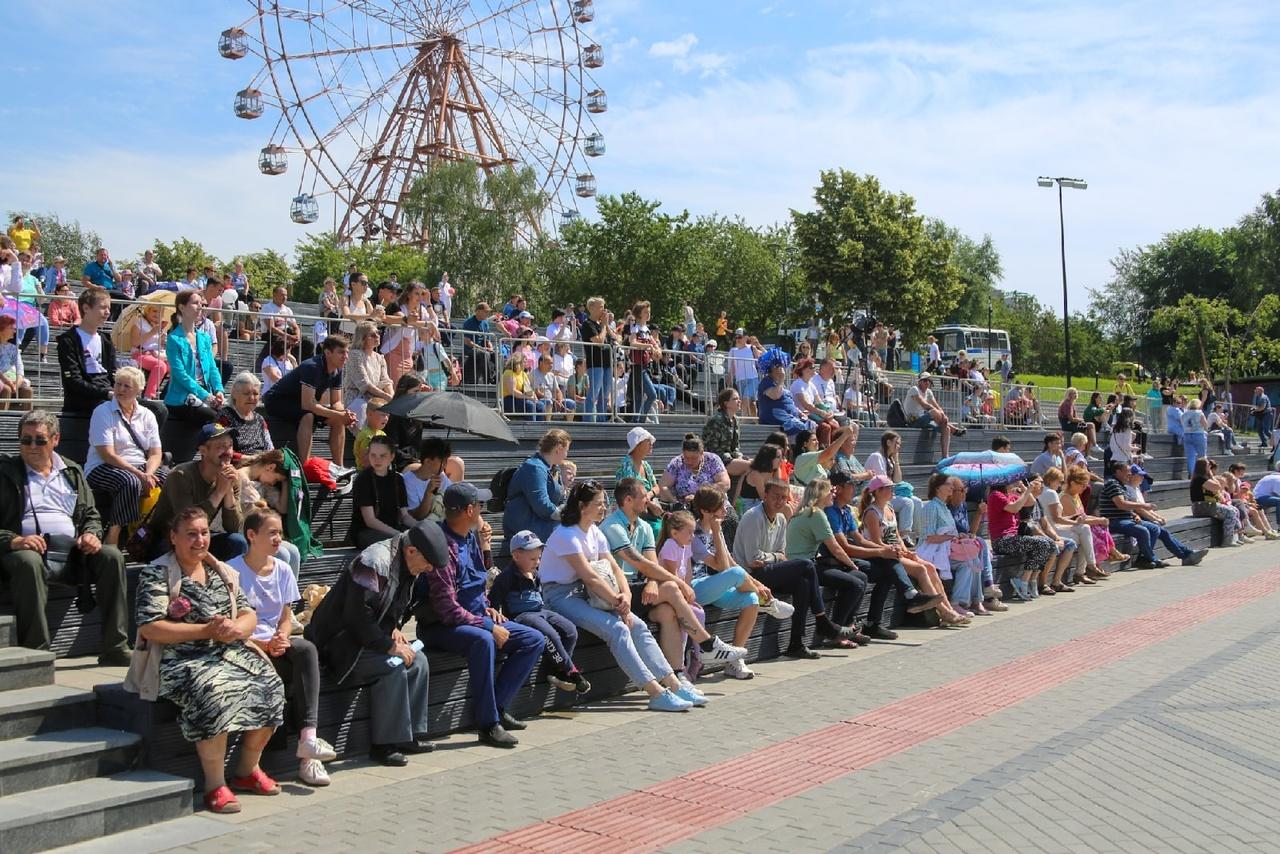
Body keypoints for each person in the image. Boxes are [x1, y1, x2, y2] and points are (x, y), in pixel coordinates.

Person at [132, 506, 284, 814]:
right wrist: (205, 630)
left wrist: (235, 629)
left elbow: (247, 614)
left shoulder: (222, 571)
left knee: (270, 683)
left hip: (227, 652)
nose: (200, 540)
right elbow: (150, 627)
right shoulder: (158, 573)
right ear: (173, 538)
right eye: (191, 534)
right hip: (179, 660)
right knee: (215, 691)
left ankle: (246, 770)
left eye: (204, 533)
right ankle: (215, 785)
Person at [540, 481, 699, 712]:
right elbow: (590, 577)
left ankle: (674, 684)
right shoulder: (566, 535)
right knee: (618, 629)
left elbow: (614, 568)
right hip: (560, 596)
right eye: (599, 504)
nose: (604, 508)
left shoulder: (594, 531)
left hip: (589, 592)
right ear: (583, 506)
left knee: (639, 625)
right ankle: (656, 693)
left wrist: (624, 595)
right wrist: (619, 603)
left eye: (604, 503)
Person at [414, 484, 545, 748]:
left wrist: (487, 607)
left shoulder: (470, 536)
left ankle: (496, 708)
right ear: (469, 510)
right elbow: (446, 609)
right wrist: (487, 624)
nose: (483, 511)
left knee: (533, 639)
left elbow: (476, 580)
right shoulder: (442, 547)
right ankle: (487, 725)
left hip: (473, 616)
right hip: (441, 626)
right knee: (483, 640)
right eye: (480, 506)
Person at [306, 520, 445, 766]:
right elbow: (356, 616)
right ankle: (383, 745)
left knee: (418, 660)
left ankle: (407, 735)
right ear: (411, 551)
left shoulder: (406, 561)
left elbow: (388, 607)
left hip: (368, 638)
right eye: (427, 563)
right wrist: (389, 646)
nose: (429, 570)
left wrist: (393, 629)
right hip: (339, 644)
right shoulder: (374, 562)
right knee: (393, 665)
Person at [0, 411, 130, 662]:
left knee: (112, 555)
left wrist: (91, 534)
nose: (32, 447)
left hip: (69, 551)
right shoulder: (5, 473)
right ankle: (37, 651)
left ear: (56, 439)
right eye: (25, 440)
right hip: (21, 552)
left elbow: (91, 514)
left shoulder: (71, 471)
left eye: (39, 440)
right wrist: (15, 540)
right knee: (28, 560)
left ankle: (116, 647)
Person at [228, 509, 335, 787]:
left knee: (306, 650)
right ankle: (307, 759)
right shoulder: (232, 571)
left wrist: (282, 637)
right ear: (251, 536)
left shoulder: (283, 569)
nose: (279, 539)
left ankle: (308, 741)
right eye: (272, 533)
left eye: (280, 533)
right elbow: (231, 628)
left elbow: (286, 617)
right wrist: (264, 643)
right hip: (246, 647)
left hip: (275, 643)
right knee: (296, 676)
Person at [605, 480, 747, 682]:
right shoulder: (613, 526)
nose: (649, 498)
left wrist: (653, 581)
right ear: (628, 500)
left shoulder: (644, 526)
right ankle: (707, 644)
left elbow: (651, 564)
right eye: (644, 495)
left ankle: (678, 675)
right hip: (619, 593)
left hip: (643, 591)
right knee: (672, 587)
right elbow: (639, 563)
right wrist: (679, 584)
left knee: (668, 613)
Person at [731, 479, 860, 658]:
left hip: (767, 571)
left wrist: (772, 557)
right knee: (806, 564)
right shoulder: (754, 517)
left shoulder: (782, 519)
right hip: (750, 576)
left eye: (784, 498)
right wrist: (774, 557)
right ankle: (822, 621)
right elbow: (753, 560)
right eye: (776, 496)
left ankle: (796, 643)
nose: (780, 501)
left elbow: (782, 554)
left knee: (803, 582)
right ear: (765, 495)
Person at [490, 529, 591, 694]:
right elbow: (493, 603)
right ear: (516, 556)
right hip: (521, 617)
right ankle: (571, 671)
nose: (537, 562)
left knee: (570, 630)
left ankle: (557, 670)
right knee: (551, 634)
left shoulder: (535, 573)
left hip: (540, 611)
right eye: (532, 559)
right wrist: (497, 615)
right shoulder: (506, 577)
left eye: (539, 558)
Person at [859, 475, 968, 625]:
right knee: (920, 569)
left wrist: (906, 551)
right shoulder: (872, 513)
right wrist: (898, 551)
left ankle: (949, 609)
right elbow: (876, 541)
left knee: (929, 567)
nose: (893, 491)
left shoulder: (889, 508)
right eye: (889, 488)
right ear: (877, 491)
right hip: (884, 554)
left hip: (897, 551)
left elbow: (897, 535)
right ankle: (944, 611)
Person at [58, 286, 167, 429]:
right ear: (86, 308)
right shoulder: (68, 340)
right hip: (86, 398)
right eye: (103, 308)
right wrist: (108, 393)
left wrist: (124, 389)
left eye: (109, 308)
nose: (108, 312)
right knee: (112, 409)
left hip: (109, 393)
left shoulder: (105, 339)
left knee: (159, 410)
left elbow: (113, 373)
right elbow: (73, 381)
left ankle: (144, 449)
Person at [84, 367, 168, 547]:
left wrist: (148, 473)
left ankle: (160, 531)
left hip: (141, 467)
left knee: (170, 478)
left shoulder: (147, 415)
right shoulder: (102, 411)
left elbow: (155, 452)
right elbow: (107, 454)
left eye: (126, 386)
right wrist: (140, 476)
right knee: (130, 481)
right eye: (118, 385)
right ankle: (114, 536)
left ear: (138, 390)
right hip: (103, 466)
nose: (120, 390)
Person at [262, 335, 357, 468]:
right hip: (277, 401)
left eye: (347, 352)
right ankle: (304, 467)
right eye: (341, 352)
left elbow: (336, 401)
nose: (346, 356)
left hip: (300, 402)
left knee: (338, 420)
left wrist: (344, 414)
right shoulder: (312, 367)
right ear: (327, 352)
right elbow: (308, 405)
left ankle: (339, 468)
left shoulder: (338, 369)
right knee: (307, 415)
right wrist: (338, 414)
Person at [1099, 461, 1206, 569]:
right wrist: (1144, 506)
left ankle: (1147, 559)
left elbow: (1123, 506)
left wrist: (1132, 514)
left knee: (1155, 528)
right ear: (1118, 471)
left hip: (1125, 519)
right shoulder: (1112, 484)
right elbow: (1121, 504)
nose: (1129, 474)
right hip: (1114, 521)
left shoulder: (1121, 485)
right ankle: (1152, 558)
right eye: (1127, 472)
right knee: (1143, 531)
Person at [986, 479, 1059, 601]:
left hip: (1013, 538)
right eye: (1011, 480)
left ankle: (1032, 579)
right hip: (1002, 540)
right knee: (1041, 544)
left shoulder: (1010, 495)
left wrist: (1024, 487)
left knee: (1049, 543)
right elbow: (1013, 508)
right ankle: (1023, 582)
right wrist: (1027, 491)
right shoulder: (995, 495)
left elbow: (1031, 502)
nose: (1013, 483)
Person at [164, 289, 223, 425]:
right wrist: (205, 396)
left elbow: (212, 368)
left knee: (225, 418)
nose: (200, 306)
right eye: (195, 303)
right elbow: (180, 375)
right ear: (182, 307)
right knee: (216, 420)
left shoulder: (204, 338)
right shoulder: (174, 339)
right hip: (181, 398)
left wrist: (218, 389)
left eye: (201, 303)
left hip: (204, 394)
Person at [504, 429, 573, 543]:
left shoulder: (552, 469)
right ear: (559, 448)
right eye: (566, 450)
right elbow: (542, 505)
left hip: (542, 523)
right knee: (571, 532)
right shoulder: (534, 467)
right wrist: (566, 516)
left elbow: (562, 498)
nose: (566, 455)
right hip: (526, 525)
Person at [347, 436, 414, 548]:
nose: (377, 460)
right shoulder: (363, 480)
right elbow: (370, 520)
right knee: (400, 544)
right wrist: (397, 534)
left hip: (394, 528)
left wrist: (420, 526)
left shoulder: (398, 479)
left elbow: (404, 515)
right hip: (366, 532)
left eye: (382, 455)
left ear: (392, 456)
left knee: (421, 539)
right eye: (373, 455)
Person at [1039, 467, 1100, 584]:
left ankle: (1083, 570)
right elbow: (1057, 519)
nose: (1060, 484)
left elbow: (1056, 518)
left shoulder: (1043, 492)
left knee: (1084, 534)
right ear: (1052, 480)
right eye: (1059, 481)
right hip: (1053, 529)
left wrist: (1072, 519)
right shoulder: (1051, 493)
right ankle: (1087, 567)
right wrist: (1075, 522)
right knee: (1084, 532)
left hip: (1051, 527)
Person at [864, 430, 925, 540]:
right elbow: (883, 482)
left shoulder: (889, 459)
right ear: (888, 442)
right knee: (907, 502)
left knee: (917, 501)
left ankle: (919, 535)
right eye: (896, 443)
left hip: (888, 492)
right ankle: (904, 536)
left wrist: (896, 460)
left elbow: (897, 479)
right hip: (877, 496)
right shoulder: (876, 456)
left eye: (899, 444)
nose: (898, 447)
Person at [342, 321, 395, 428]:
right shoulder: (355, 355)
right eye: (372, 335)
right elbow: (365, 384)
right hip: (357, 398)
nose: (377, 336)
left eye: (378, 333)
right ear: (363, 338)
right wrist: (387, 397)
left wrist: (392, 398)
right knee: (368, 414)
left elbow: (386, 381)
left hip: (377, 398)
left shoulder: (379, 357)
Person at [903, 373, 964, 458]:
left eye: (929, 381)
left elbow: (936, 405)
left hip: (923, 420)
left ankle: (945, 457)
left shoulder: (929, 392)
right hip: (912, 421)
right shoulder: (914, 389)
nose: (927, 383)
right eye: (925, 380)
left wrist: (943, 414)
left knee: (946, 428)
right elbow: (924, 405)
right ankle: (955, 430)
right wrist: (940, 414)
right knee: (934, 412)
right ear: (919, 381)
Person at [1190, 459, 1245, 547]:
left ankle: (1235, 538)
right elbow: (1217, 487)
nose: (1210, 467)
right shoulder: (1200, 478)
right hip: (1201, 506)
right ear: (1203, 467)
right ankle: (1227, 541)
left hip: (1206, 506)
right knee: (1230, 512)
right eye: (1208, 465)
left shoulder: (1203, 477)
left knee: (1233, 509)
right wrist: (1211, 475)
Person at [616, 426, 663, 521]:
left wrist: (649, 495)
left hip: (646, 509)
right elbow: (631, 493)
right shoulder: (627, 464)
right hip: (631, 513)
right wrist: (651, 505)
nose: (651, 444)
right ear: (638, 445)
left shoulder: (646, 465)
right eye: (648, 441)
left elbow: (657, 487)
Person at [702, 387, 747, 471]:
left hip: (730, 459)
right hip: (716, 462)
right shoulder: (716, 421)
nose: (739, 401)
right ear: (726, 403)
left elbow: (735, 447)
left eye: (739, 398)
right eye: (735, 399)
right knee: (751, 466)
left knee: (759, 465)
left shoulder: (735, 420)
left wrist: (739, 457)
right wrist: (732, 459)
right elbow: (712, 449)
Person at [727, 331, 761, 418]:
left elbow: (761, 357)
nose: (738, 339)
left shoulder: (751, 348)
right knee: (751, 404)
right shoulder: (733, 351)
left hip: (752, 378)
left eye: (740, 337)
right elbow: (733, 367)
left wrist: (759, 346)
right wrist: (729, 380)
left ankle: (741, 422)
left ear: (746, 338)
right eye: (736, 337)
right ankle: (756, 422)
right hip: (740, 380)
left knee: (745, 399)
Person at [461, 302, 496, 385]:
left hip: (482, 349)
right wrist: (481, 348)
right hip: (471, 349)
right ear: (478, 311)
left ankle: (495, 378)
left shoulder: (485, 323)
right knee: (484, 354)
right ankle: (488, 380)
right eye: (485, 311)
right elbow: (467, 341)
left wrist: (490, 348)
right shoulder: (468, 322)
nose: (488, 314)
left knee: (495, 354)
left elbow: (487, 340)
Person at [353, 397, 390, 470]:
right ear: (370, 414)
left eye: (388, 415)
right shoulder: (367, 435)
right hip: (366, 474)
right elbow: (365, 462)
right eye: (383, 415)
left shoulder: (382, 434)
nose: (386, 418)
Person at [1181, 398, 1209, 478]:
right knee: (1202, 456)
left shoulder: (1184, 414)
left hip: (1187, 435)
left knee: (1190, 456)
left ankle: (1191, 474)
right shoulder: (1199, 413)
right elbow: (1205, 425)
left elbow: (1182, 424)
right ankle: (1203, 473)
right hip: (1198, 434)